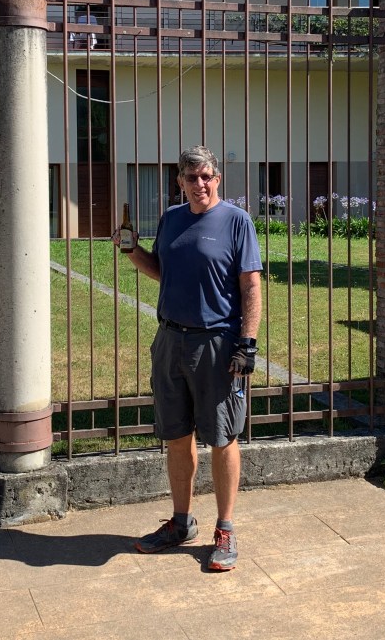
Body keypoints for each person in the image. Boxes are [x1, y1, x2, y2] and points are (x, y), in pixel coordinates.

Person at [112, 145, 262, 571]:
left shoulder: (236, 221)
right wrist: (131, 251)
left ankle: (225, 529)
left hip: (217, 343)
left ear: (217, 179)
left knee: (222, 436)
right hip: (170, 340)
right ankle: (181, 523)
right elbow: (164, 271)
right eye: (192, 177)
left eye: (207, 176)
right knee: (177, 435)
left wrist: (247, 343)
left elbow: (250, 285)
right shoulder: (172, 219)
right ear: (179, 181)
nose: (200, 184)